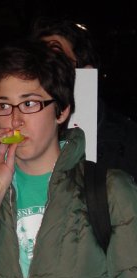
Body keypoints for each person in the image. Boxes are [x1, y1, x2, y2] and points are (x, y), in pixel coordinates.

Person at [0, 40, 137, 278]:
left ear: (61, 111)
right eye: (4, 106)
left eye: (29, 104)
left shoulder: (109, 190)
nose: (15, 120)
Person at [30, 16, 137, 181]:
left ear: (85, 71)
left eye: (56, 60)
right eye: (36, 62)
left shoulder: (127, 140)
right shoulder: (20, 133)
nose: (44, 72)